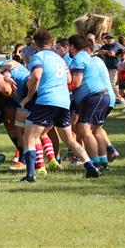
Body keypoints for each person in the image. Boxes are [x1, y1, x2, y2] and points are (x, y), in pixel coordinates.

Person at [19, 30, 100, 183]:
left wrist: (29, 96)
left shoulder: (38, 57)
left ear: (36, 44)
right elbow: (69, 78)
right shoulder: (60, 59)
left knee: (29, 137)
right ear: (50, 43)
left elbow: (36, 76)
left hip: (46, 101)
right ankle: (91, 167)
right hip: (63, 102)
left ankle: (30, 175)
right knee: (69, 139)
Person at [69, 34, 110, 169]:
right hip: (103, 95)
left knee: (84, 130)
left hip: (93, 97)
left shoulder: (77, 59)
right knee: (96, 130)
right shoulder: (88, 57)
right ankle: (103, 162)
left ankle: (95, 163)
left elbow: (76, 83)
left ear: (72, 46)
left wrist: (62, 87)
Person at [97, 33, 123, 104]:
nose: (108, 40)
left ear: (114, 39)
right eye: (107, 38)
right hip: (107, 68)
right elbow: (99, 52)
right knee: (107, 84)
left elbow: (112, 53)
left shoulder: (116, 45)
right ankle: (113, 99)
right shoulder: (105, 45)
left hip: (114, 68)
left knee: (113, 84)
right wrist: (106, 52)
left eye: (110, 38)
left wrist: (105, 52)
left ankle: (119, 99)